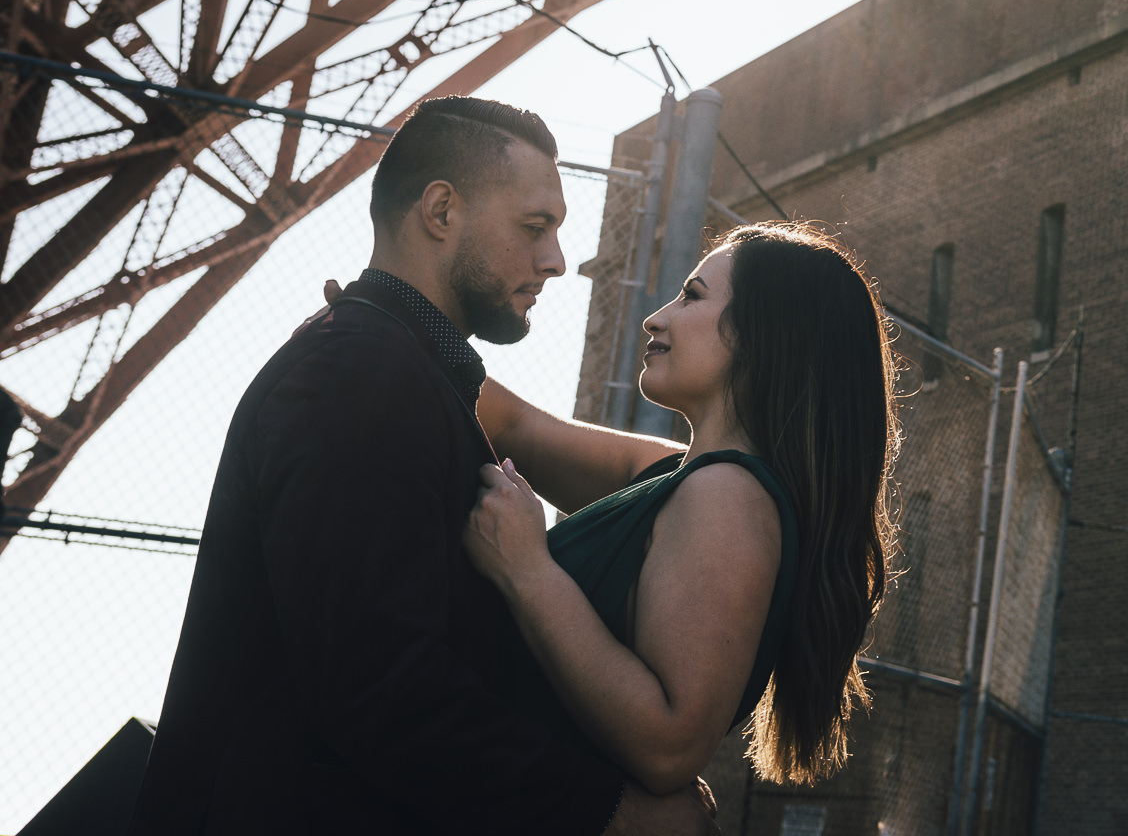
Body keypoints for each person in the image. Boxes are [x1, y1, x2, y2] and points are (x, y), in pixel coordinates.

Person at [131, 96, 716, 836]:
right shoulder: (359, 375)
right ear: (441, 211)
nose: (557, 261)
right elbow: (381, 687)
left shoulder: (398, 370)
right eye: (535, 227)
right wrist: (613, 815)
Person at [457, 221, 897, 798]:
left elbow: (669, 745)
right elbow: (515, 426)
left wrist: (526, 569)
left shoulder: (728, 500)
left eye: (692, 296)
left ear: (760, 335)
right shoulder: (684, 478)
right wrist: (393, 327)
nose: (655, 317)